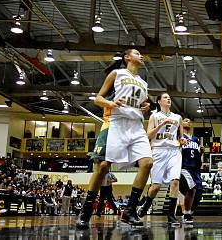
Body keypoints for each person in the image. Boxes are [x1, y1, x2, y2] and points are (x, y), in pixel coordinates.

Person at [76, 49, 153, 228]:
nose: (141, 56)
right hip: (115, 122)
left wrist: (145, 106)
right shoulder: (116, 73)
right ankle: (86, 211)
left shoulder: (143, 82)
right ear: (127, 57)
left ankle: (130, 210)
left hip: (136, 125)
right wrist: (109, 103)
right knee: (102, 167)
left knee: (147, 163)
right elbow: (98, 98)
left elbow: (140, 102)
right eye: (137, 53)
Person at [137, 93, 184, 226]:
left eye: (169, 97)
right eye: (165, 97)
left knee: (175, 182)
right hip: (158, 150)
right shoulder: (154, 116)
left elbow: (180, 137)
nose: (168, 99)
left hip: (174, 151)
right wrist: (160, 125)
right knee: (156, 187)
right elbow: (148, 135)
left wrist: (183, 140)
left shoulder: (178, 117)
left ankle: (171, 216)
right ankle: (146, 206)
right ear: (158, 102)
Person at [178, 118, 204, 224]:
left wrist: (201, 152)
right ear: (181, 124)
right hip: (184, 168)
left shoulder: (196, 139)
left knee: (199, 192)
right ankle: (187, 213)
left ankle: (188, 212)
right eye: (185, 120)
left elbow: (197, 156)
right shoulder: (179, 137)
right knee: (191, 189)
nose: (188, 122)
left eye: (189, 121)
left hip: (195, 169)